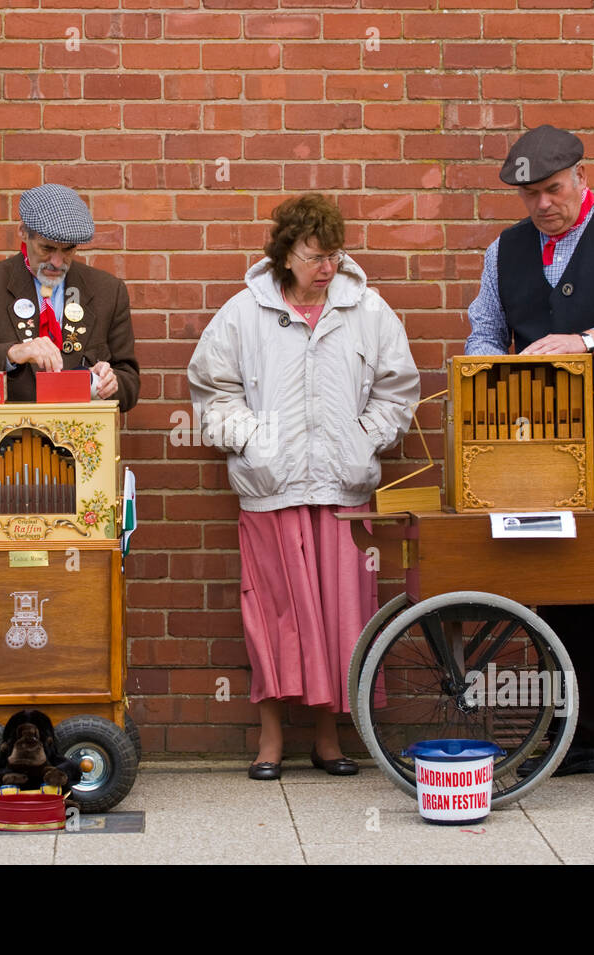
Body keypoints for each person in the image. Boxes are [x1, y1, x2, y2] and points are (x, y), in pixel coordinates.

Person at [465, 125, 594, 785]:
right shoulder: (506, 250)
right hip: (546, 444)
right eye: (529, 195)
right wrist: (484, 374)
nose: (541, 205)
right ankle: (576, 736)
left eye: (551, 189)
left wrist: (582, 341)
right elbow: (485, 329)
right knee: (559, 580)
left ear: (581, 176)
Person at [188, 194, 420, 780]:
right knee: (274, 613)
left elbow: (399, 390)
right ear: (286, 253)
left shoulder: (367, 310)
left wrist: (362, 439)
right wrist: (254, 441)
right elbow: (212, 389)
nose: (327, 267)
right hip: (271, 489)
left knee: (345, 615)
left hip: (345, 491)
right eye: (315, 255)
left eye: (334, 255)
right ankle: (269, 741)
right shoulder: (244, 313)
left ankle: (328, 739)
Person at [0, 183, 140, 411]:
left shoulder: (108, 290)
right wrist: (14, 353)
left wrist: (111, 383)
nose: (56, 262)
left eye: (68, 250)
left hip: (83, 438)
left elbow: (130, 383)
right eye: (46, 248)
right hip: (7, 439)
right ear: (23, 232)